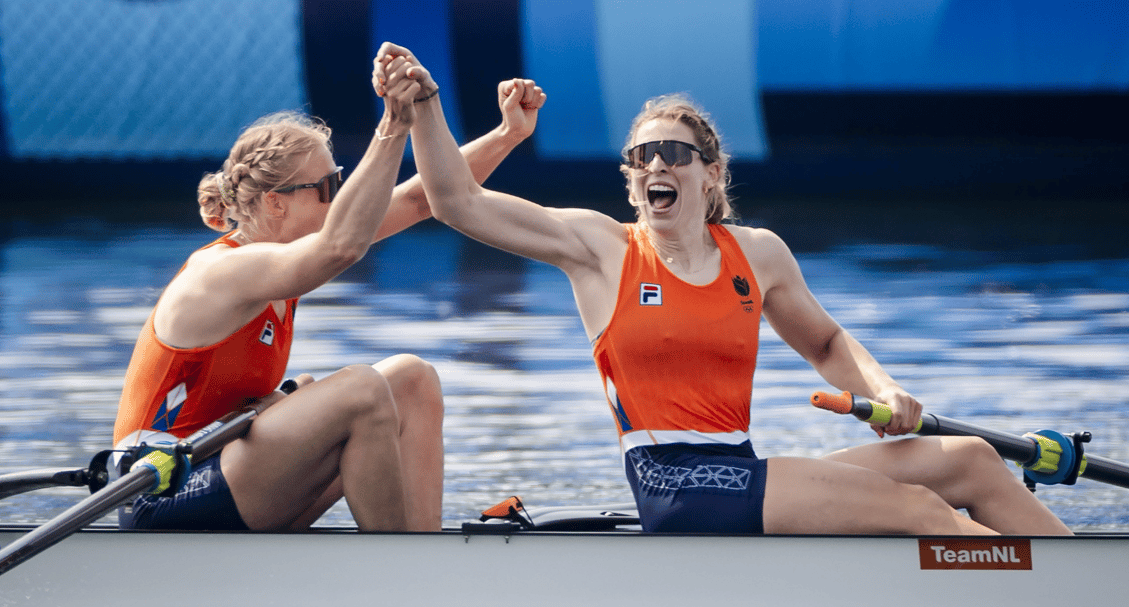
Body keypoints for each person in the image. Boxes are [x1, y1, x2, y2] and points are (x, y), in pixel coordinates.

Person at [375, 42, 1072, 536]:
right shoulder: (600, 248)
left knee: (974, 461)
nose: (656, 163)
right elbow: (456, 202)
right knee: (921, 510)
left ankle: (1079, 581)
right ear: (630, 178)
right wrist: (428, 108)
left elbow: (827, 341)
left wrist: (884, 390)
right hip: (673, 486)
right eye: (641, 155)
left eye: (674, 153)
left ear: (709, 175)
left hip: (738, 469)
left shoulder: (758, 253)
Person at [111, 54, 542, 533]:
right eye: (328, 186)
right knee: (360, 388)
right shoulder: (223, 271)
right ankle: (396, 569)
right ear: (275, 203)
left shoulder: (286, 256)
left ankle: (422, 546)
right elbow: (342, 246)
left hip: (225, 469)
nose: (339, 201)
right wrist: (392, 128)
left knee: (411, 378)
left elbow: (422, 199)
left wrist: (508, 136)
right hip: (161, 492)